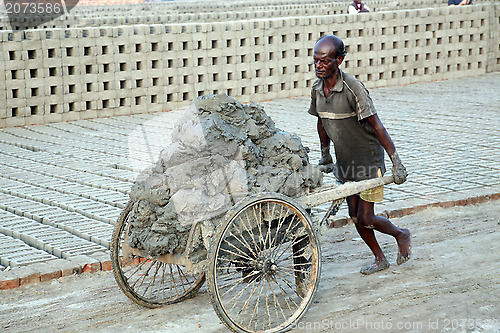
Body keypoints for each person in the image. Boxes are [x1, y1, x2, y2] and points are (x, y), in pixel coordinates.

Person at [309, 35, 411, 275]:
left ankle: (401, 234)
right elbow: (322, 123)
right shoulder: (317, 89)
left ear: (339, 60)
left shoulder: (353, 89)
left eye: (325, 61)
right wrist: (325, 155)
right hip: (345, 163)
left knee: (367, 216)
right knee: (354, 216)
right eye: (315, 61)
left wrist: (396, 161)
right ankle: (380, 258)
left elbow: (377, 126)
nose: (318, 66)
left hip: (368, 161)